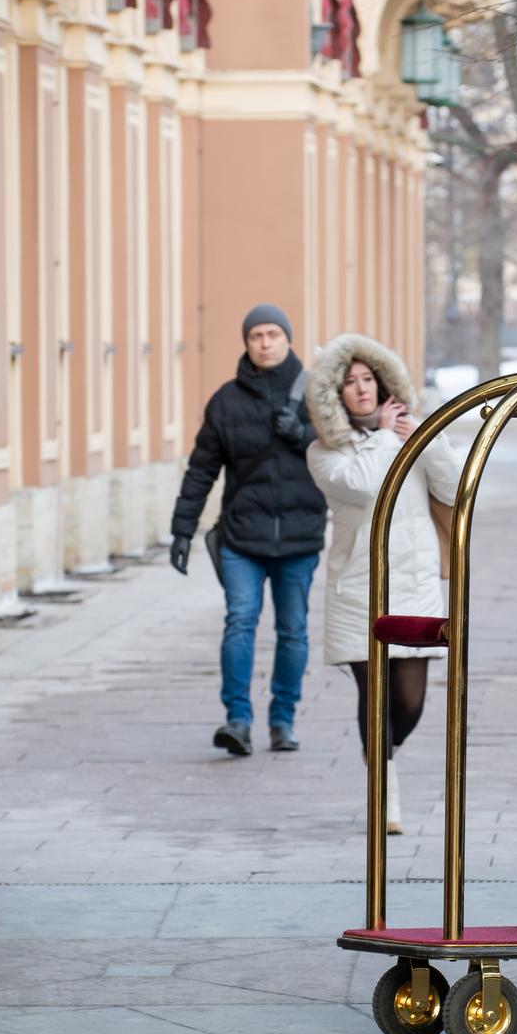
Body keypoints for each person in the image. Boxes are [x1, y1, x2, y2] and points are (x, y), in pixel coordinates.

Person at [306, 333, 460, 836]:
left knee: (410, 702)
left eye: (368, 379)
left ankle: (382, 760)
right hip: (359, 590)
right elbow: (363, 484)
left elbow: (455, 485)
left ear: (384, 382)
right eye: (349, 383)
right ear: (336, 396)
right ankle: (386, 796)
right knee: (374, 697)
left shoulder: (407, 433)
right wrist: (381, 437)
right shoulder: (325, 453)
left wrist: (426, 437)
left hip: (415, 583)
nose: (361, 389)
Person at [169, 304, 327, 757]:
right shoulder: (226, 401)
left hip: (299, 535)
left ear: (288, 339)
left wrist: (301, 434)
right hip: (242, 536)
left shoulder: (317, 392)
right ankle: (237, 719)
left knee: (293, 630)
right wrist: (182, 530)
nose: (265, 342)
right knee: (240, 621)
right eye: (256, 335)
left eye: (273, 333)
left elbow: (346, 446)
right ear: (246, 342)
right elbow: (202, 470)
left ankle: (283, 720)